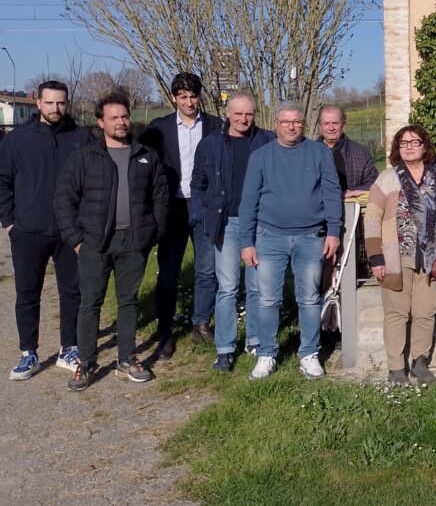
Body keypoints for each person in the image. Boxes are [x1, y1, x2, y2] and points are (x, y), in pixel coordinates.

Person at [55, 92, 169, 391]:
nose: (122, 122)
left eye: (125, 116)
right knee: (89, 303)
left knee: (128, 301)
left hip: (134, 242)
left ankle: (126, 359)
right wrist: (76, 239)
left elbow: (160, 196)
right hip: (94, 243)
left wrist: (152, 232)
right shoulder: (85, 157)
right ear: (100, 122)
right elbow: (64, 200)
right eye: (114, 117)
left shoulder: (145, 154)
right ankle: (87, 362)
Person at [238, 101, 342, 380]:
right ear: (276, 124)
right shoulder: (261, 156)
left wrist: (334, 230)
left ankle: (309, 354)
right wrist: (246, 241)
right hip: (269, 237)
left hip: (311, 238)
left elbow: (332, 193)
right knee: (268, 299)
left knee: (308, 299)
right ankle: (266, 354)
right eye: (285, 122)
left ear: (303, 124)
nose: (291, 126)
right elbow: (248, 201)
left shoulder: (319, 153)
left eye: (296, 121)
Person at [0, 80, 94, 380]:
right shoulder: (18, 140)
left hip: (71, 232)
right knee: (27, 293)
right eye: (50, 103)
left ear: (68, 103)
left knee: (72, 292)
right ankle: (29, 352)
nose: (56, 108)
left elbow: (94, 183)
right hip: (29, 231)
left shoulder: (81, 137)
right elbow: (2, 182)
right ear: (37, 102)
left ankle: (70, 347)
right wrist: (10, 222)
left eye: (61, 103)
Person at [189, 93, 274, 372]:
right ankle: (224, 349)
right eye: (238, 114)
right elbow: (198, 184)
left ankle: (254, 339)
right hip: (225, 224)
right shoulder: (210, 144)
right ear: (227, 113)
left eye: (248, 114)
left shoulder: (267, 141)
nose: (243, 120)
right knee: (226, 288)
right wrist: (203, 216)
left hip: (259, 223)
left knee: (256, 286)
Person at [140, 72, 222, 358]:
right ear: (173, 98)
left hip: (204, 205)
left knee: (206, 269)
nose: (189, 102)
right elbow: (143, 167)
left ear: (200, 96)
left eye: (193, 96)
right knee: (168, 273)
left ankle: (200, 322)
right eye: (183, 97)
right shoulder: (158, 129)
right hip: (172, 207)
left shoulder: (215, 126)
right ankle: (165, 331)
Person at [364, 125, 436, 384]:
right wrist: (375, 258)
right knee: (396, 313)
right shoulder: (387, 178)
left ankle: (420, 361)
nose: (410, 147)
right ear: (397, 149)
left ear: (425, 146)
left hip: (430, 256)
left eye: (415, 142)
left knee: (425, 312)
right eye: (404, 143)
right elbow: (372, 218)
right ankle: (395, 367)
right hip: (395, 256)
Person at [317, 105, 376, 197]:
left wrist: (354, 191)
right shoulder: (309, 153)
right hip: (317, 209)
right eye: (326, 123)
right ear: (320, 125)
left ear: (343, 124)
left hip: (350, 206)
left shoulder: (361, 153)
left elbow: (374, 182)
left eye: (335, 123)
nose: (331, 128)